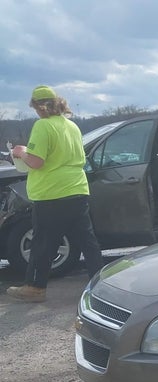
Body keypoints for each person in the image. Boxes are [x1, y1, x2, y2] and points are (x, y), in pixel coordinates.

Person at [7, 85, 103, 303]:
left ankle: (35, 287)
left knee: (42, 242)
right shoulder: (72, 126)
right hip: (77, 189)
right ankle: (100, 285)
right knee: (87, 242)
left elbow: (36, 161)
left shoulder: (43, 126)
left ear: (39, 106)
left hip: (51, 194)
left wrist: (20, 151)